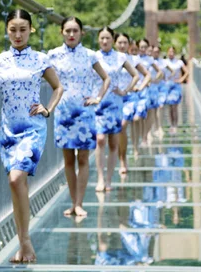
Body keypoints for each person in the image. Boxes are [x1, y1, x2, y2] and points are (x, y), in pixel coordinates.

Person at [0, 9, 64, 263]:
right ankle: (24, 244)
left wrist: (48, 109)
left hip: (33, 128)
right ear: (7, 30)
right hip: (8, 131)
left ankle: (25, 242)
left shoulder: (40, 59)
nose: (18, 34)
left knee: (15, 180)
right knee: (17, 184)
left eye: (23, 29)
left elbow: (58, 87)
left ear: (31, 30)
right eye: (13, 29)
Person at [48, 17, 110, 217]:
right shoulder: (53, 55)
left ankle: (79, 203)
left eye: (75, 30)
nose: (71, 34)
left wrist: (98, 97)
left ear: (82, 32)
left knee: (83, 158)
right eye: (68, 31)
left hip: (85, 112)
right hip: (64, 112)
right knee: (68, 160)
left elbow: (106, 78)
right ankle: (72, 202)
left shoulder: (90, 55)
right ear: (61, 32)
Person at [93, 27, 139, 191]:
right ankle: (100, 177)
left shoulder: (120, 57)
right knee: (99, 139)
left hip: (115, 103)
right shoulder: (93, 56)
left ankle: (109, 179)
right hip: (98, 102)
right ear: (98, 40)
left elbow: (136, 75)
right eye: (102, 38)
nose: (104, 41)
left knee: (113, 142)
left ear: (112, 39)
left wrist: (125, 90)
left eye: (107, 38)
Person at [125, 39, 151, 158]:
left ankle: (138, 144)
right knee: (127, 123)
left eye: (136, 49)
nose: (134, 51)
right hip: (122, 95)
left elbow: (147, 75)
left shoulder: (136, 60)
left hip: (138, 94)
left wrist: (141, 86)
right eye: (133, 49)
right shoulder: (118, 59)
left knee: (137, 119)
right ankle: (129, 148)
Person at [137, 39, 164, 146]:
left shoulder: (150, 60)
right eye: (141, 47)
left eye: (145, 47)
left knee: (150, 113)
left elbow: (160, 72)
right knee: (140, 115)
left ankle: (145, 135)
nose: (143, 49)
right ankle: (142, 135)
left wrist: (153, 80)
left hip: (148, 89)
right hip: (137, 89)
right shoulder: (134, 59)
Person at [164, 46, 189, 134]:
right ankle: (171, 124)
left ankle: (175, 125)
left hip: (176, 86)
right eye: (169, 52)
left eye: (172, 52)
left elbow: (187, 71)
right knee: (170, 106)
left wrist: (181, 80)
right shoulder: (165, 62)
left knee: (175, 106)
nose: (171, 53)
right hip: (167, 86)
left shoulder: (179, 62)